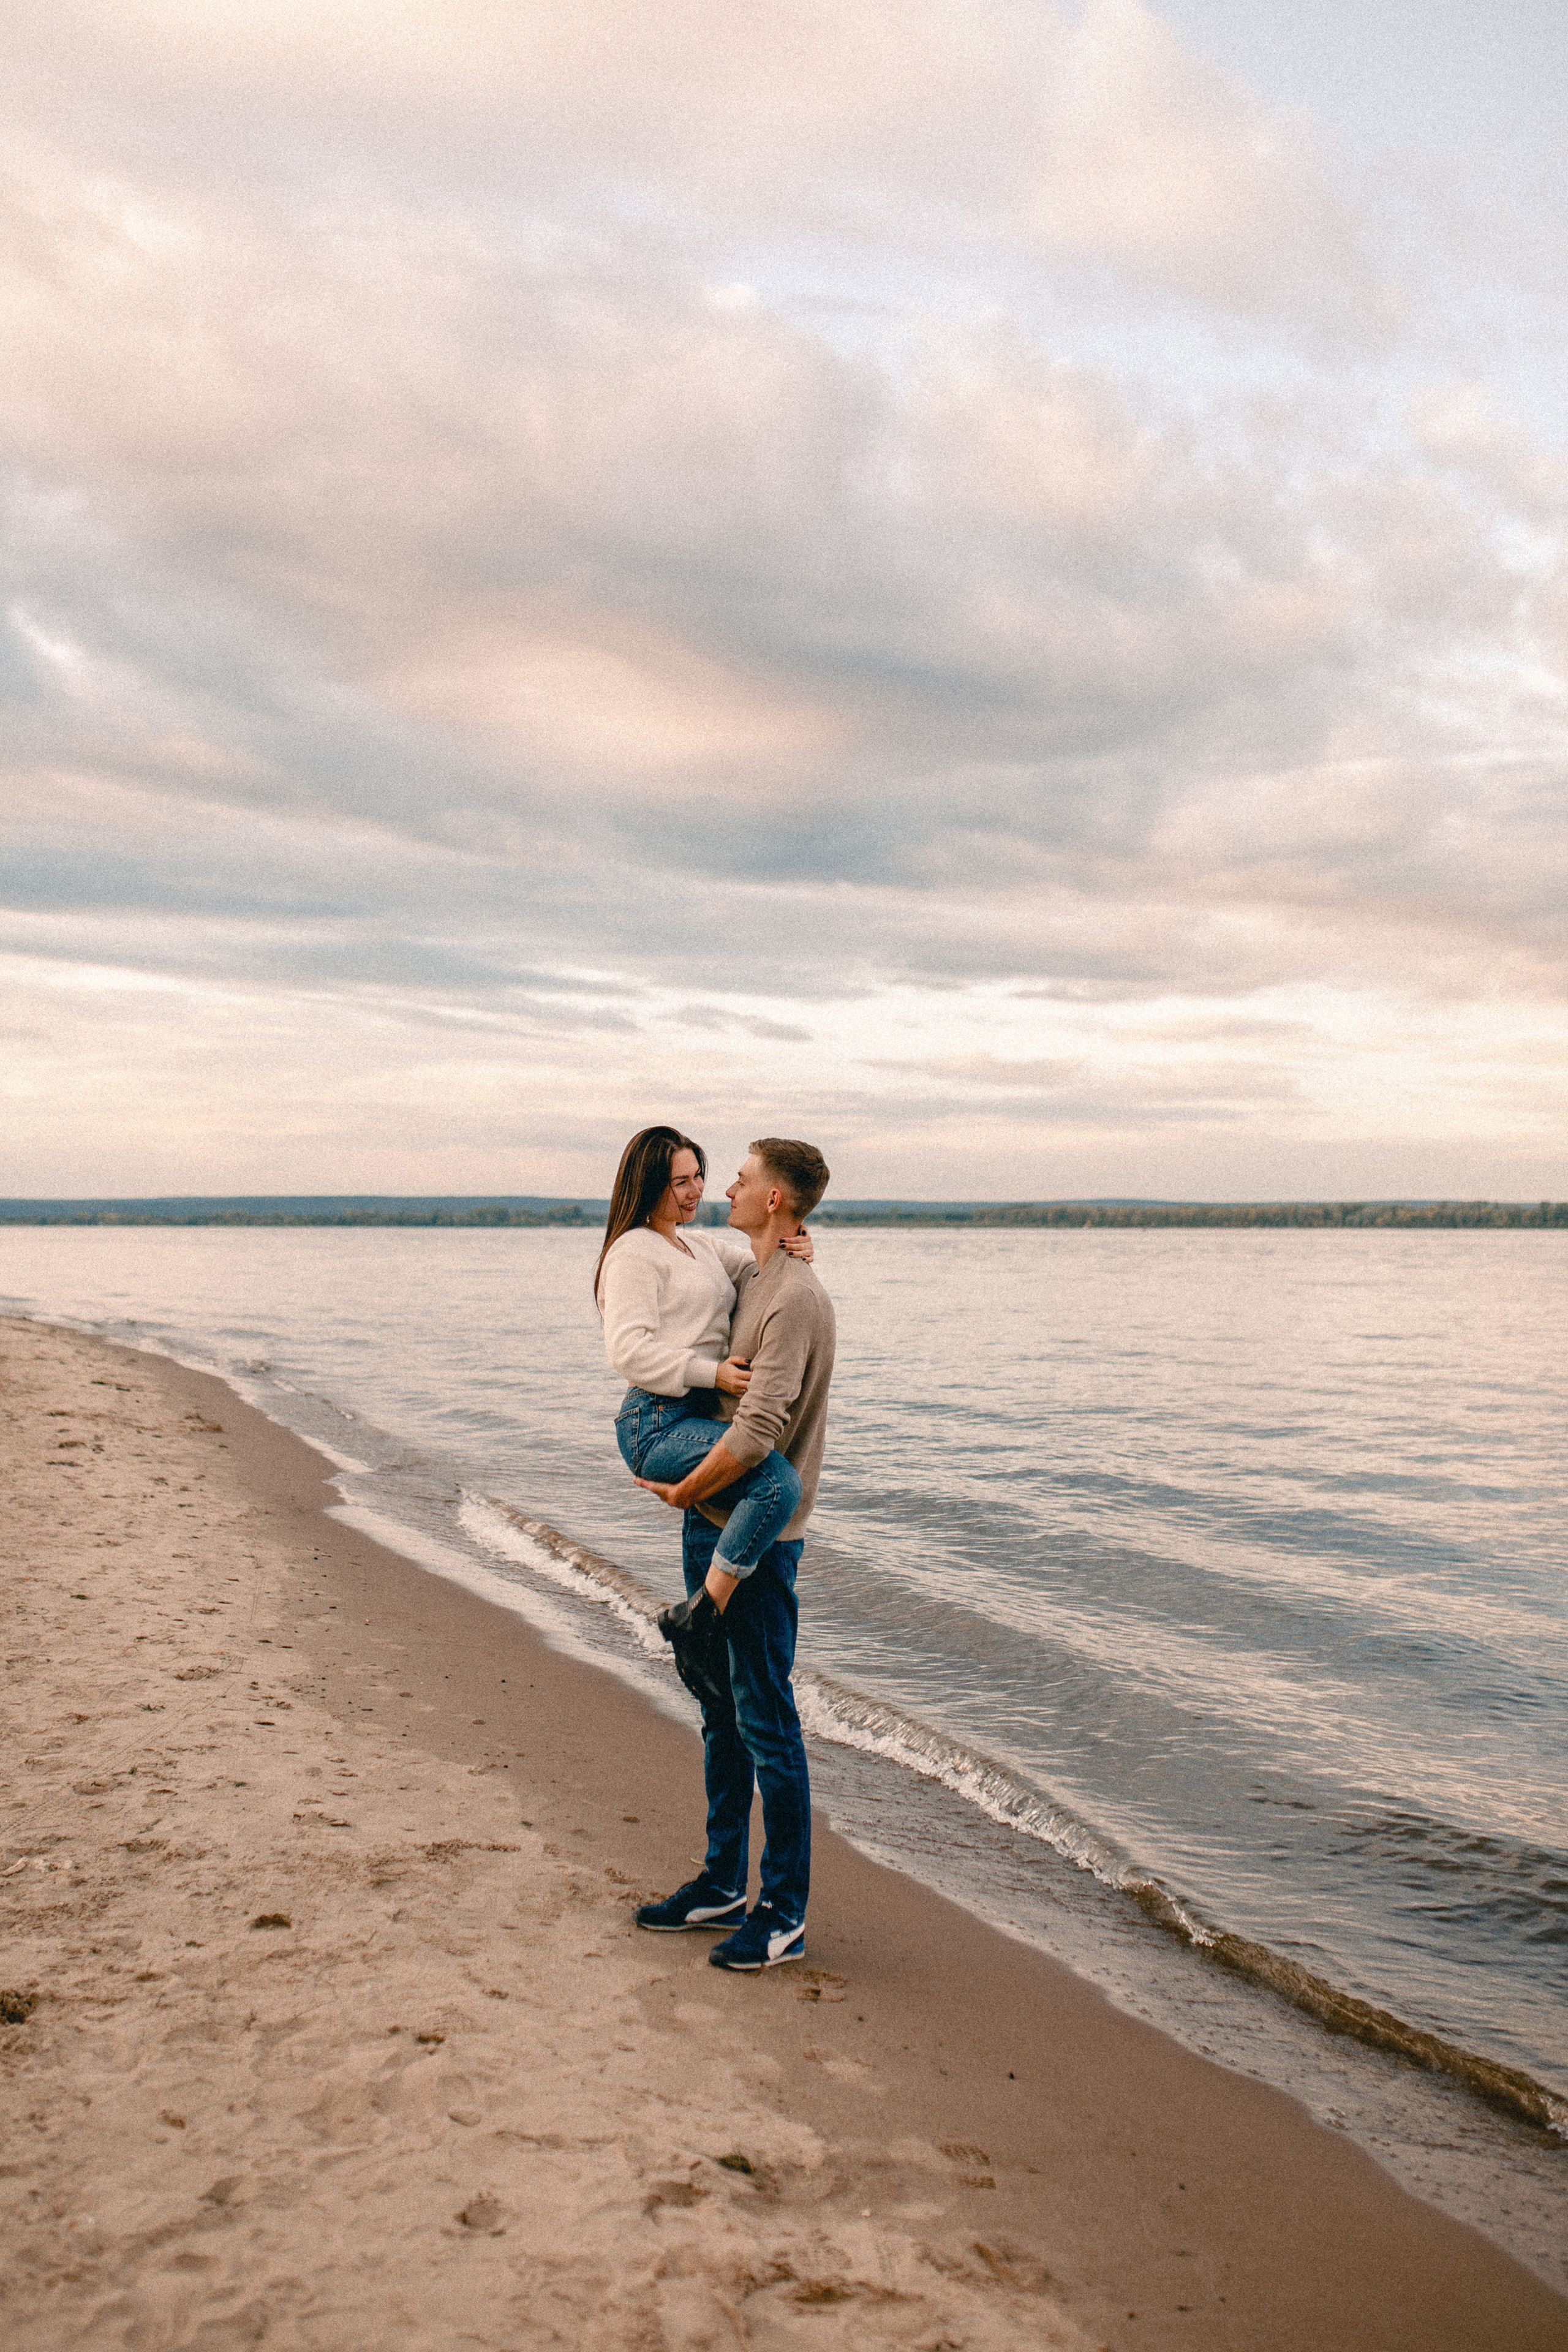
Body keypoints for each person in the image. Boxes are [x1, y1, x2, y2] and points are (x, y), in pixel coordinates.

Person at [630, 1137, 835, 1972]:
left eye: (744, 1178)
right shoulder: (756, 1276)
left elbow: (757, 1437)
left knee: (768, 1724)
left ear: (777, 1200)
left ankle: (783, 1913)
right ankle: (721, 1883)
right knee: (721, 1712)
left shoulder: (795, 1300)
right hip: (712, 1525)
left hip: (758, 1544)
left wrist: (682, 1490)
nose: (729, 1187)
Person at [595, 1125, 813, 1604]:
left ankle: (708, 1619)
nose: (697, 1190)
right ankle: (705, 1608)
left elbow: (759, 1266)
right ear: (650, 1184)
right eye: (681, 1182)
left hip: (695, 1415)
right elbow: (628, 1351)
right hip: (654, 1422)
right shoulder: (633, 1252)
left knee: (773, 1483)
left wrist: (796, 1242)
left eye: (699, 1176)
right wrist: (712, 1373)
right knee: (777, 1484)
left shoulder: (698, 1246)